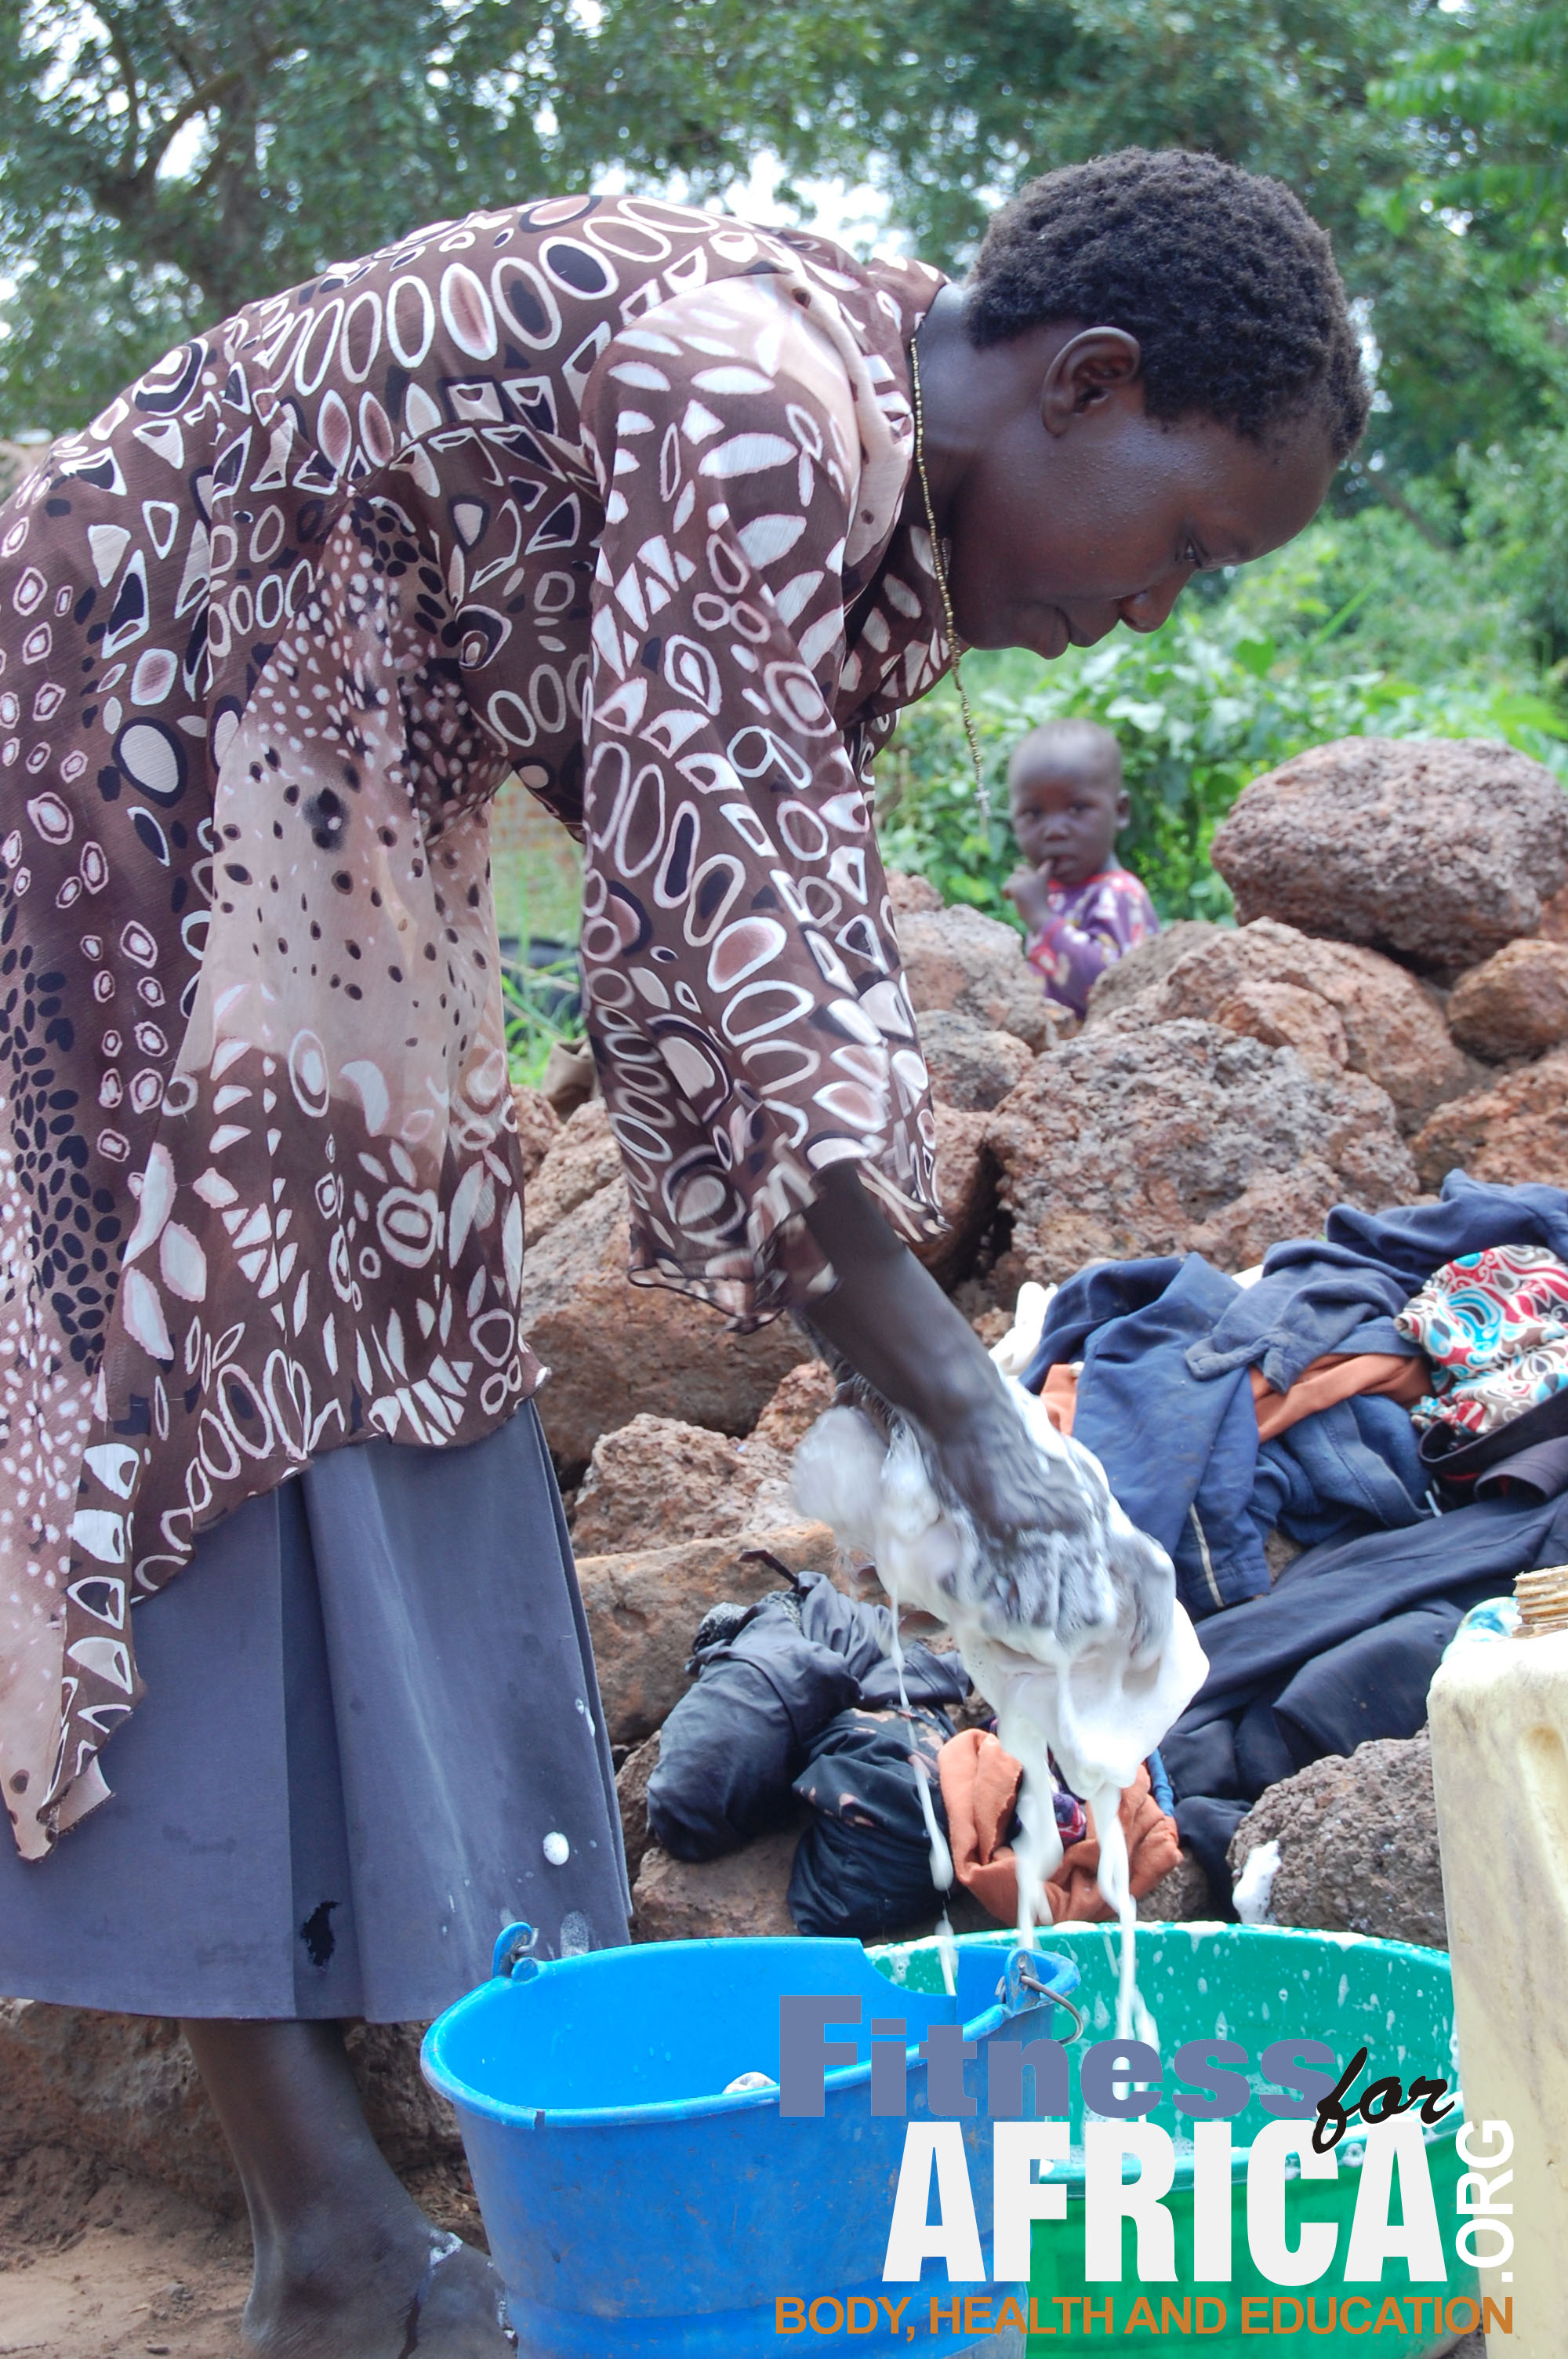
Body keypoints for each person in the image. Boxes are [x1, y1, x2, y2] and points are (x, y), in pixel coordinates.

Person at [0, 147, 1363, 2353]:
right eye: (1189, 540)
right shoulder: (756, 390)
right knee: (199, 1412)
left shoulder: (840, 431)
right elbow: (711, 945)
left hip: (305, 765)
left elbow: (780, 919)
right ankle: (330, 2231)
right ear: (1087, 381)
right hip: (129, 743)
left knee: (397, 1344)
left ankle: (389, 2190)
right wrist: (968, 1424)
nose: (1155, 611)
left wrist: (940, 1385)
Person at [1002, 715, 1160, 1020]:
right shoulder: (1054, 894)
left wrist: (1041, 919)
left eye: (1077, 809)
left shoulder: (1119, 895)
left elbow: (1108, 989)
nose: (1054, 830)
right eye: (1033, 814)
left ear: (1121, 811)